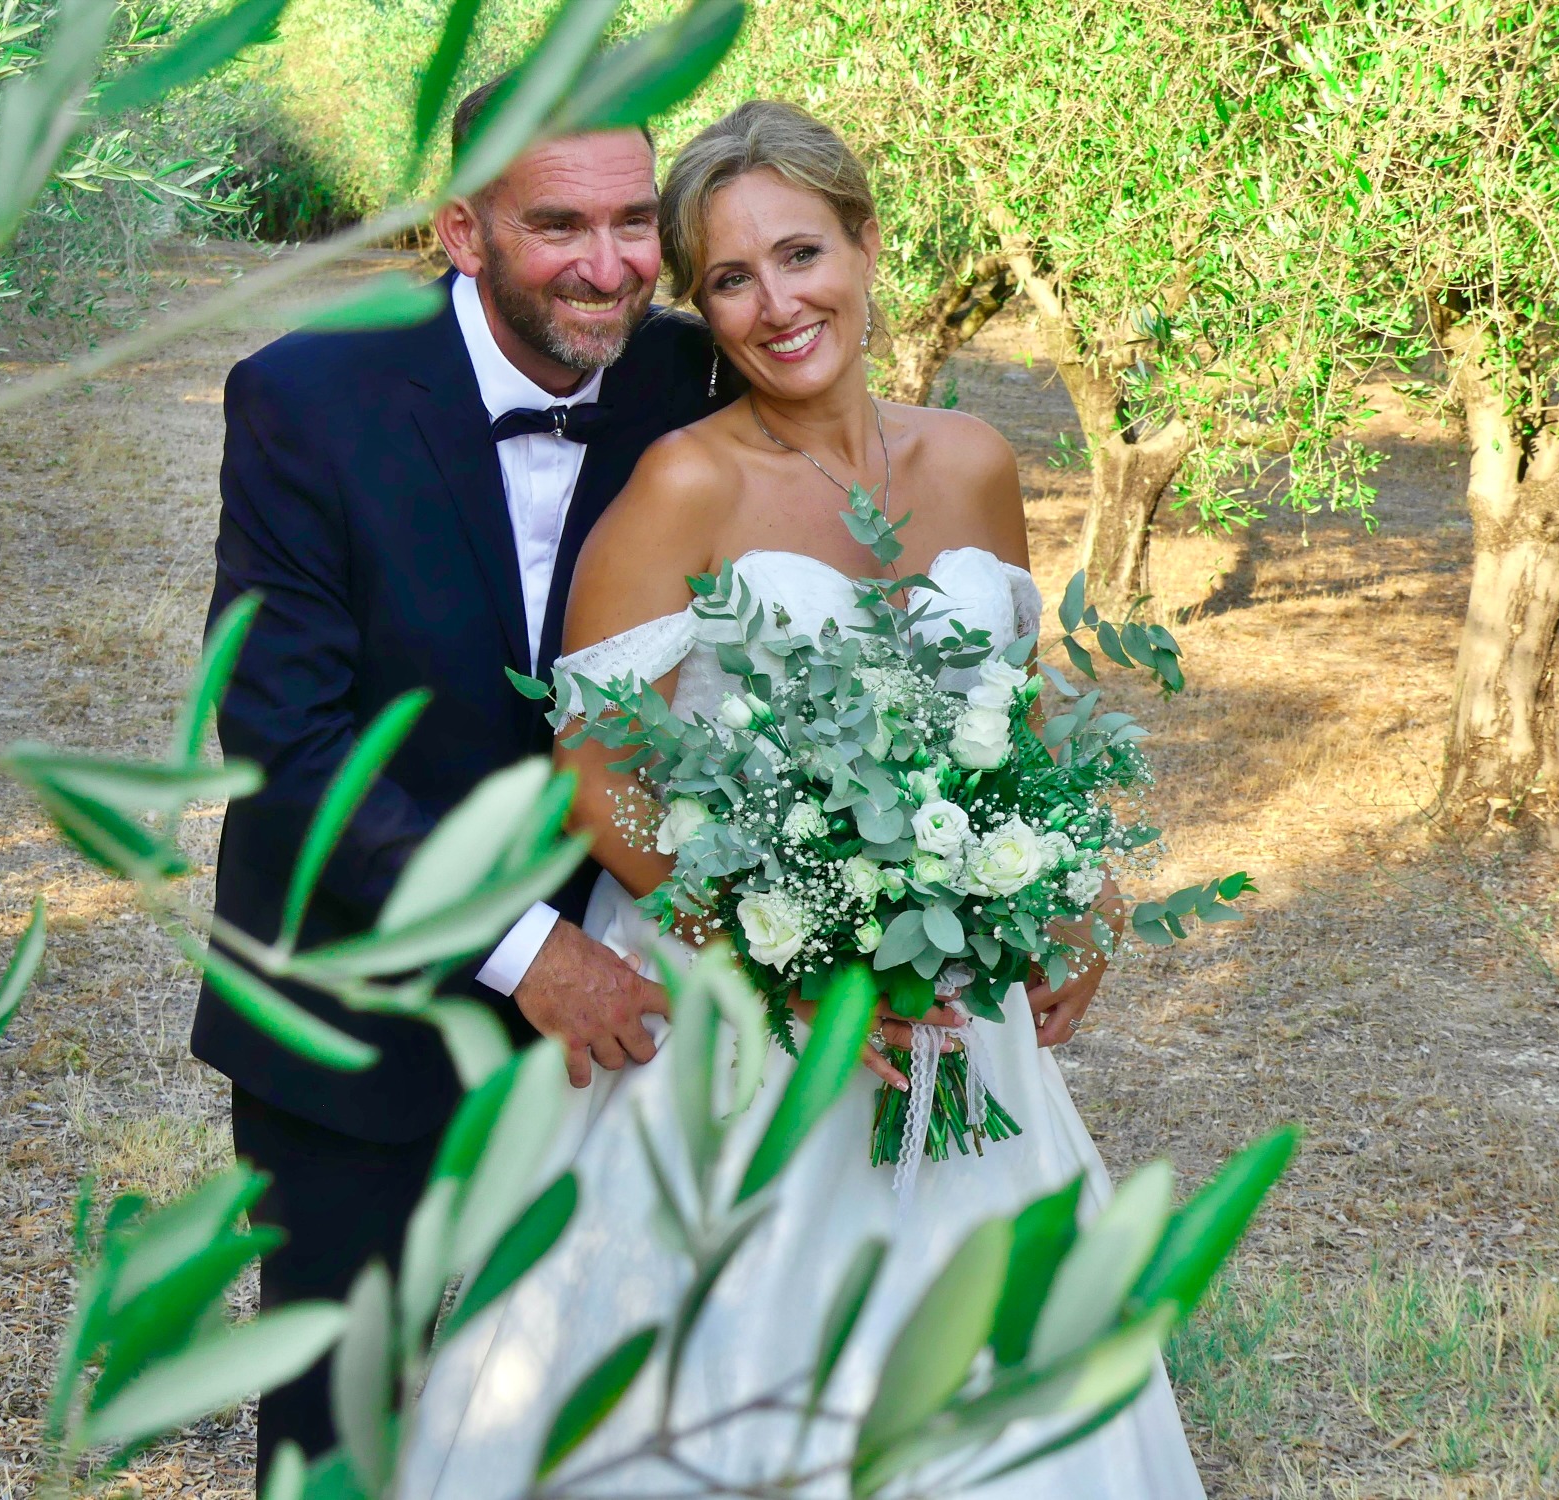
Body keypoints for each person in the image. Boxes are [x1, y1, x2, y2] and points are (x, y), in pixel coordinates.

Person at [397, 101, 1207, 1498]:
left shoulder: (973, 461)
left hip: (954, 1015)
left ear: (867, 244)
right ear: (699, 308)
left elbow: (1014, 707)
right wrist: (787, 960)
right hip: (736, 1014)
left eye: (800, 255)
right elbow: (598, 772)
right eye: (729, 279)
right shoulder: (685, 484)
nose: (776, 305)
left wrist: (1079, 883)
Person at [193, 76, 725, 1476]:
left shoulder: (695, 380)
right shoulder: (306, 398)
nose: (608, 266)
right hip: (361, 1015)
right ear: (462, 230)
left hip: (637, 1025)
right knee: (339, 1430)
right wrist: (526, 948)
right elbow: (286, 741)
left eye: (633, 222)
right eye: (559, 225)